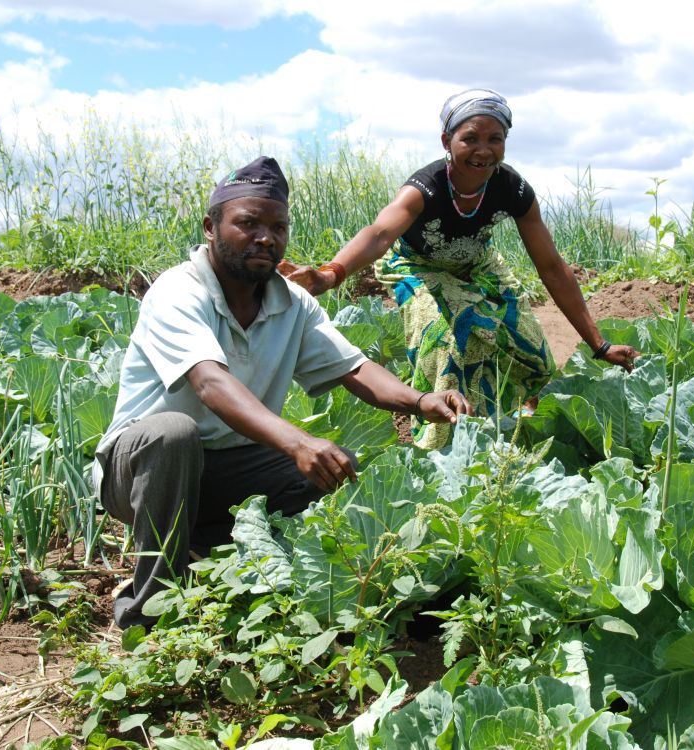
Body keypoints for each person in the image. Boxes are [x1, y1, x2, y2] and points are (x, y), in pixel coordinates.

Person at [91, 156, 473, 628]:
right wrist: (297, 442)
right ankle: (149, 614)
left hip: (229, 469)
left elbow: (353, 369)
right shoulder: (178, 291)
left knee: (337, 469)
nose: (265, 238)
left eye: (278, 226)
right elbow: (209, 383)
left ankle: (258, 573)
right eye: (247, 224)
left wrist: (419, 401)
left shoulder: (293, 303)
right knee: (174, 433)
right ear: (211, 227)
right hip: (142, 472)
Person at [282, 89, 639, 448]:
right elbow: (379, 235)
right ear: (446, 141)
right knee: (448, 341)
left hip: (476, 265)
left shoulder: (513, 190)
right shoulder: (426, 188)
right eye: (470, 138)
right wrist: (330, 274)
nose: (483, 150)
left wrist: (598, 343)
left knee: (536, 360)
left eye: (495, 139)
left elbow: (551, 267)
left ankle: (503, 433)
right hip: (416, 266)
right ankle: (434, 448)